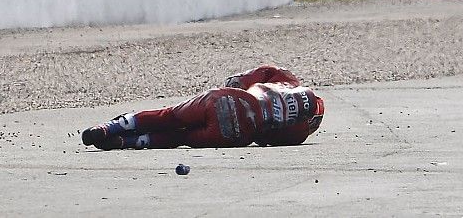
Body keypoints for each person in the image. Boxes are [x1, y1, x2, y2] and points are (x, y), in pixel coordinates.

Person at [81, 65, 325, 150]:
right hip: (237, 134)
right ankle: (129, 142)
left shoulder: (287, 80)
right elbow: (265, 140)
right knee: (181, 136)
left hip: (227, 100)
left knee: (170, 115)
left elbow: (236, 81)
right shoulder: (300, 133)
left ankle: (112, 126)